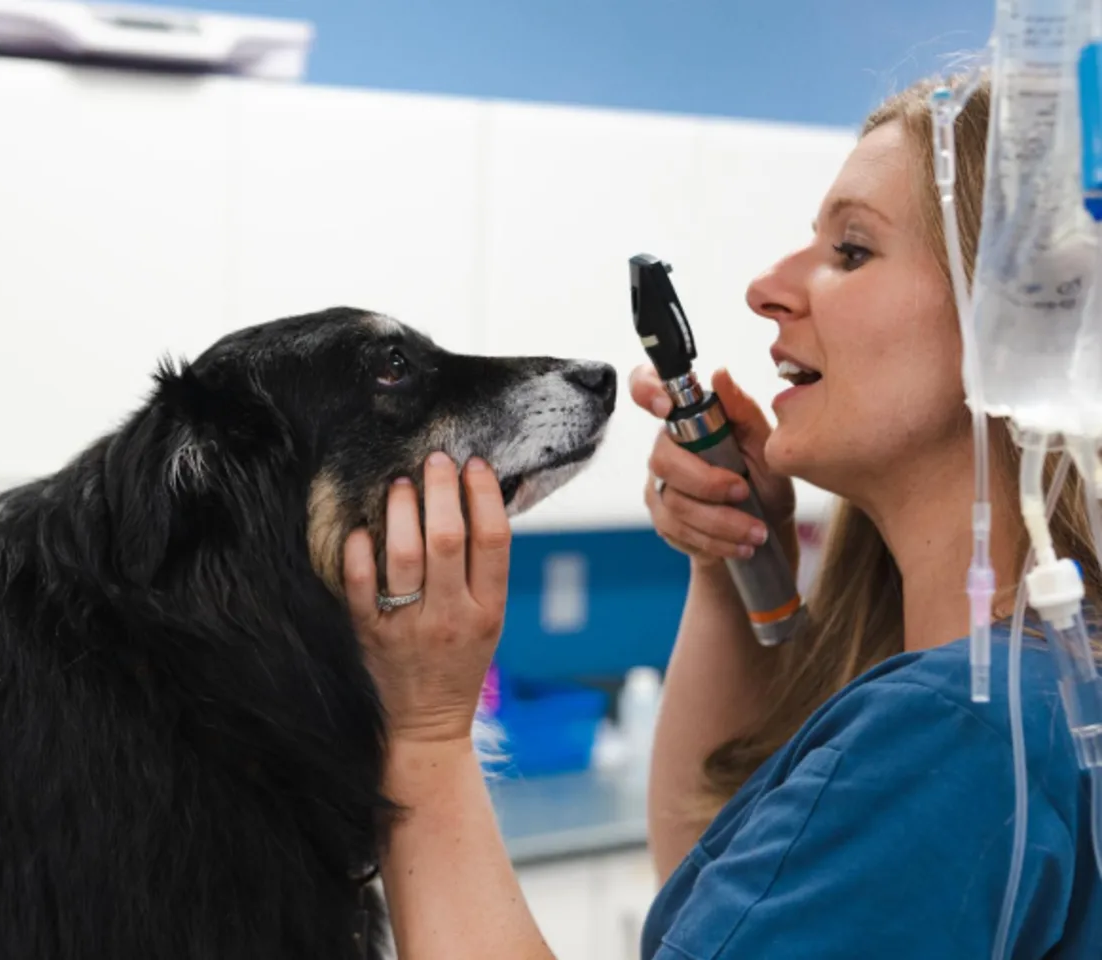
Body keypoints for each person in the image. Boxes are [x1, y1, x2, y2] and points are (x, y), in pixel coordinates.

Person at [343, 70, 1102, 958]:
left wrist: (425, 740)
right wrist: (733, 561)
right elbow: (718, 889)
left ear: (1020, 328)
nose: (766, 287)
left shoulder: (954, 732)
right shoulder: (1045, 686)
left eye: (852, 251)